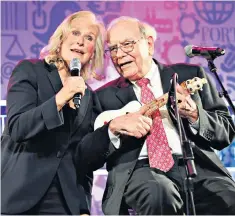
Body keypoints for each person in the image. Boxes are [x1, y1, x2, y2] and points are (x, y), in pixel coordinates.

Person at [95, 16, 235, 215]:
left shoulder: (189, 75)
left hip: (195, 165)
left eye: (127, 44)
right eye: (113, 49)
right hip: (141, 170)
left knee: (229, 198)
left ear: (149, 44)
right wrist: (112, 128)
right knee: (159, 194)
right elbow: (88, 154)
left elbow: (225, 132)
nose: (119, 54)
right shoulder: (102, 97)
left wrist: (194, 114)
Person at [1, 11, 111, 215]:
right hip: (20, 194)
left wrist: (82, 206)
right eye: (75, 33)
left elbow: (81, 160)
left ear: (92, 51)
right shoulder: (30, 71)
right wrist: (60, 98)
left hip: (64, 201)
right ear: (61, 40)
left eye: (89, 38)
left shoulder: (89, 98)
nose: (80, 41)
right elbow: (18, 128)